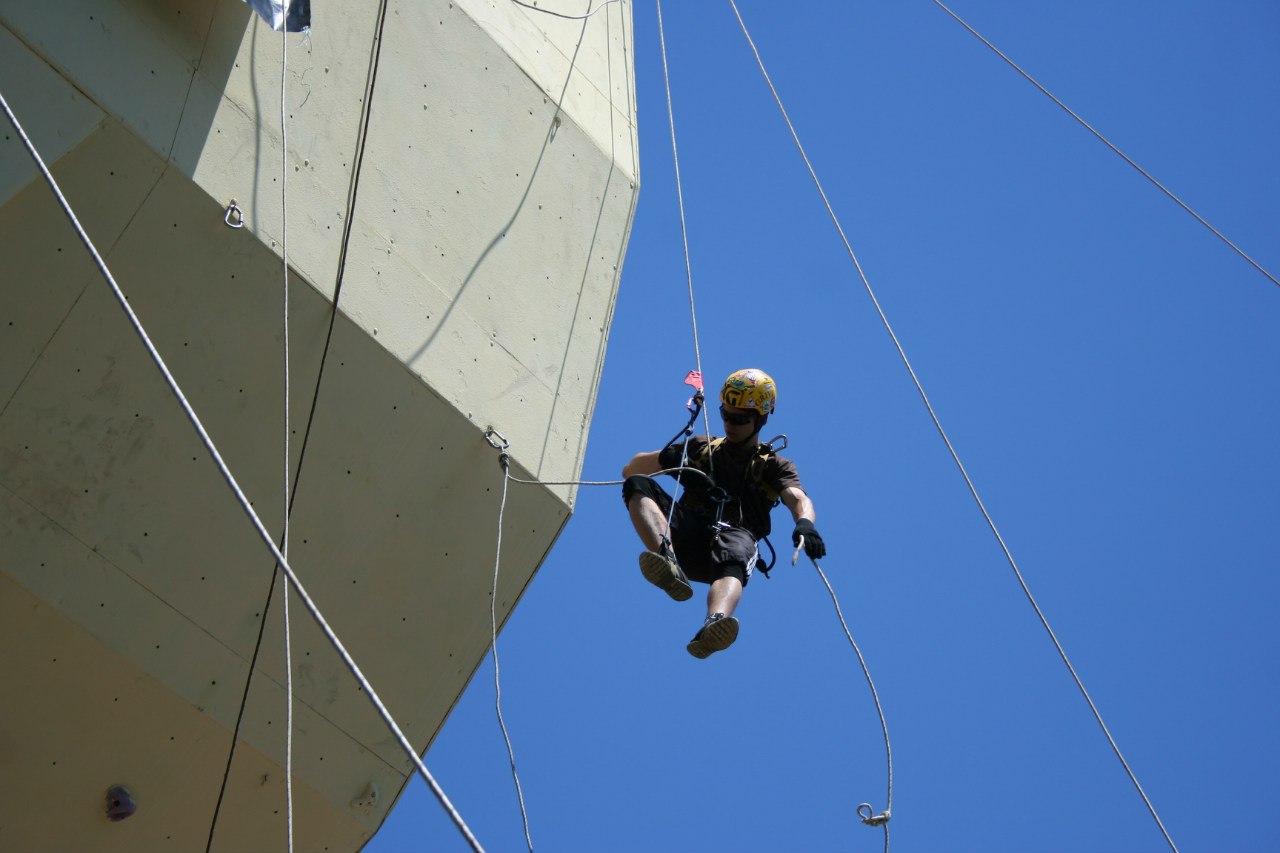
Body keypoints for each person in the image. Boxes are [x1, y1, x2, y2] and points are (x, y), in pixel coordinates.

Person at [621, 368, 827, 659]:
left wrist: (805, 523)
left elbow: (797, 497)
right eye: (725, 414)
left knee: (738, 544)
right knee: (637, 485)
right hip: (684, 539)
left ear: (761, 419)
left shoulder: (773, 465)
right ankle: (666, 561)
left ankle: (715, 622)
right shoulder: (703, 448)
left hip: (727, 550)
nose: (730, 423)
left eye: (740, 419)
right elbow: (630, 470)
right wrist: (667, 457)